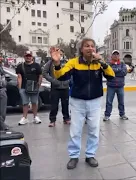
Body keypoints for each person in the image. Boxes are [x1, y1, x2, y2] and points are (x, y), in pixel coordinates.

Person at [49, 38, 115, 169]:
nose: (90, 48)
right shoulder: (74, 63)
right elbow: (61, 76)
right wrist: (57, 64)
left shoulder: (99, 63)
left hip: (95, 101)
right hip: (77, 101)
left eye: (92, 46)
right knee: (75, 130)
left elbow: (111, 76)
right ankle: (74, 156)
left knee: (94, 130)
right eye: (87, 46)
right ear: (81, 49)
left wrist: (102, 62)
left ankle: (90, 155)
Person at [43, 52, 71, 127]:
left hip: (65, 87)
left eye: (61, 53)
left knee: (65, 104)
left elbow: (71, 72)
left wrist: (68, 81)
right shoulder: (50, 62)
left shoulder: (66, 62)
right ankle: (52, 120)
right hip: (55, 87)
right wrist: (53, 80)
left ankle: (66, 118)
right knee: (54, 105)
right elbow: (44, 73)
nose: (59, 55)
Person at [16, 51, 42, 125]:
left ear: (32, 57)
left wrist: (38, 86)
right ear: (24, 57)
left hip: (34, 87)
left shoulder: (37, 66)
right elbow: (19, 77)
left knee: (34, 102)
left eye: (29, 56)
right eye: (27, 56)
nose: (28, 57)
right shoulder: (20, 66)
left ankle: (35, 117)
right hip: (24, 87)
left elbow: (40, 76)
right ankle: (24, 118)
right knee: (25, 103)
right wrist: (20, 88)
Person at [103, 50, 128, 121]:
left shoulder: (122, 63)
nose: (116, 55)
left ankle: (122, 114)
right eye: (114, 54)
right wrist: (118, 70)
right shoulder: (108, 64)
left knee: (121, 102)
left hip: (120, 86)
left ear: (119, 56)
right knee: (109, 102)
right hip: (111, 86)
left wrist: (114, 71)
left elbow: (124, 72)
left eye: (117, 54)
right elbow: (108, 73)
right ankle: (107, 115)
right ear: (112, 56)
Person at [0, 56, 9, 130]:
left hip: (2, 90)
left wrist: (4, 84)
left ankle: (2, 124)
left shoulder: (1, 67)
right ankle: (2, 125)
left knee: (3, 111)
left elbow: (3, 77)